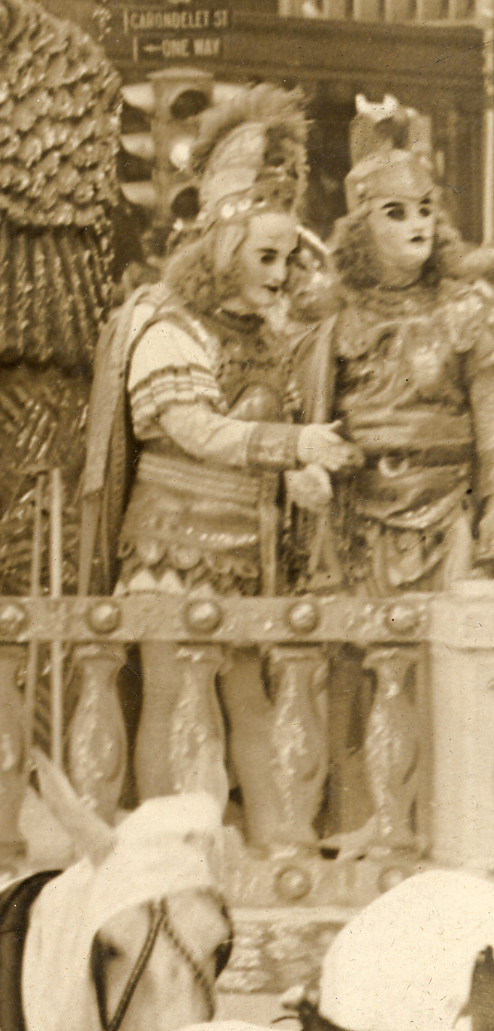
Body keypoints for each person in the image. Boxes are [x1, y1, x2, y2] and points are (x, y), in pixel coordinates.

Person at [80, 90, 352, 828]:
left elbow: (261, 422)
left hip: (241, 549)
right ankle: (166, 853)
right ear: (223, 246)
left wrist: (296, 473)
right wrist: (289, 447)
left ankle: (278, 848)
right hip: (169, 542)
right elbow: (195, 430)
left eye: (288, 255)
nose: (280, 271)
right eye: (266, 255)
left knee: (248, 700)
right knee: (171, 699)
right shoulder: (164, 323)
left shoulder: (259, 335)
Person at [299, 100, 494, 594]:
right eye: (397, 212)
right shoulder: (332, 318)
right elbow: (308, 419)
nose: (419, 224)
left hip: (449, 519)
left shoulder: (465, 311)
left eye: (426, 209)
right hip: (354, 526)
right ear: (362, 227)